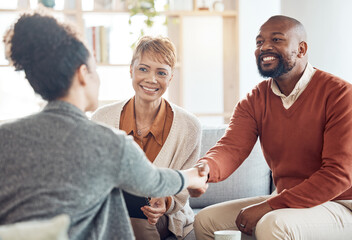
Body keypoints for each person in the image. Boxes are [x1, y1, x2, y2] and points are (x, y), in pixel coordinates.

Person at [0, 11, 207, 240]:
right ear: (83, 75)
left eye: (161, 72)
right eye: (95, 70)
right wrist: (193, 177)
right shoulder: (108, 140)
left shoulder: (5, 136)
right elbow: (155, 180)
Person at [192, 15, 352, 240]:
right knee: (206, 220)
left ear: (301, 49)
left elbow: (338, 175)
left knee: (273, 224)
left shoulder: (340, 95)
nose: (264, 47)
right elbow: (230, 147)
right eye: (259, 42)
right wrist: (204, 168)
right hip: (290, 201)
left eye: (277, 40)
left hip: (343, 203)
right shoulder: (254, 99)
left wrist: (271, 205)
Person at [91, 36, 202, 239]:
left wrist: (165, 202)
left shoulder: (189, 127)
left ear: (170, 78)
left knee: (137, 221)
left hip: (160, 216)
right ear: (131, 70)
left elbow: (183, 191)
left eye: (161, 72)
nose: (151, 79)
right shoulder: (101, 118)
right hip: (109, 209)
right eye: (143, 69)